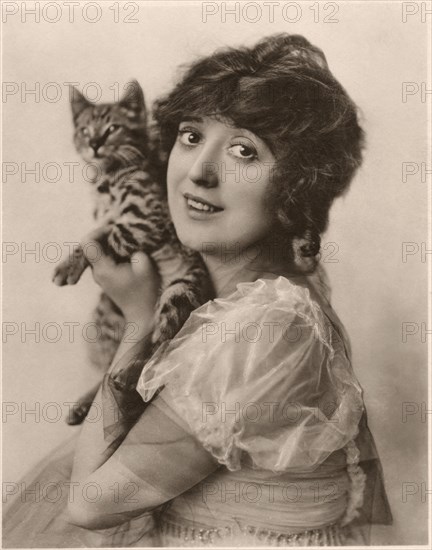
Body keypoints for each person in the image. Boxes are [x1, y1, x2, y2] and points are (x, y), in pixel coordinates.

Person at [3, 33, 392, 547]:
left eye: (242, 150)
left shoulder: (268, 325)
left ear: (294, 189)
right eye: (190, 136)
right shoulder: (235, 309)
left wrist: (138, 318)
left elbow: (89, 505)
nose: (198, 173)